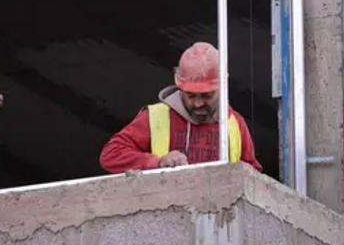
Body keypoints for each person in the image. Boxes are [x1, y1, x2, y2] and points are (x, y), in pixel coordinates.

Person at [99, 42, 262, 173]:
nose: (198, 103)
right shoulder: (157, 117)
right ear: (179, 85)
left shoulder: (234, 123)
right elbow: (111, 155)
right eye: (190, 95)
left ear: (223, 87)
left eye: (207, 96)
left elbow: (252, 175)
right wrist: (158, 162)